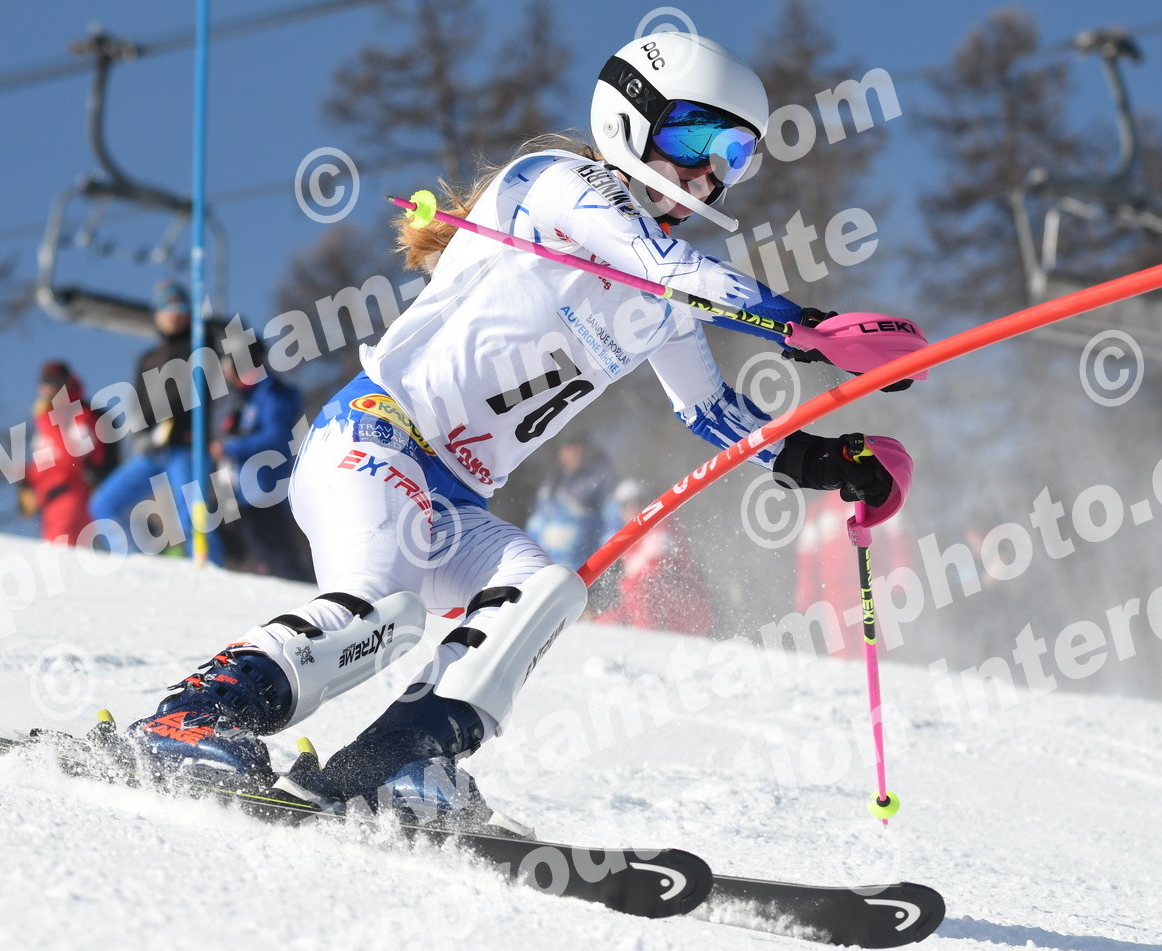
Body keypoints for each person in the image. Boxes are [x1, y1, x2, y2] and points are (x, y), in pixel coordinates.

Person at [120, 32, 906, 831]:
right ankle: (191, 718)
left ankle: (393, 762)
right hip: (375, 439)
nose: (707, 171)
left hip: (453, 501)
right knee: (379, 615)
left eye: (733, 154)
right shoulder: (559, 184)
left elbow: (709, 409)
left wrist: (822, 458)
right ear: (630, 117)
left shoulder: (663, 295)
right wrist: (808, 326)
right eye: (695, 137)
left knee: (545, 589)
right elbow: (667, 268)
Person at [88, 280, 223, 564]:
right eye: (165, 306)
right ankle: (132, 563)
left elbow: (192, 389)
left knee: (192, 515)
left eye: (180, 306)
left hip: (187, 448)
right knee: (104, 503)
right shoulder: (148, 359)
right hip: (154, 451)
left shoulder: (199, 344)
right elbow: (138, 404)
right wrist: (139, 435)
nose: (173, 313)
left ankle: (210, 567)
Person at [212, 350, 312, 581]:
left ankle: (299, 590)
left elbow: (276, 438)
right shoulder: (247, 397)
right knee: (259, 550)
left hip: (265, 489)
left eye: (230, 369)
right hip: (246, 490)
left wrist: (230, 447)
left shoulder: (272, 394)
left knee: (278, 555)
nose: (227, 376)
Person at [594, 480, 715, 635]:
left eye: (637, 502)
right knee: (606, 620)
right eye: (625, 505)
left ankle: (648, 641)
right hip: (658, 608)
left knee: (635, 587)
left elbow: (652, 570)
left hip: (689, 607)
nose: (632, 508)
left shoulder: (662, 524)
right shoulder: (632, 538)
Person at [19, 361, 104, 545]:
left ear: (67, 384)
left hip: (72, 499)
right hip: (48, 505)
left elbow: (74, 457)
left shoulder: (81, 414)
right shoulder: (46, 422)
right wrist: (26, 481)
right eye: (46, 382)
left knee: (62, 555)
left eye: (56, 382)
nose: (50, 388)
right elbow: (44, 462)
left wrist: (46, 421)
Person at [524, 432, 618, 569]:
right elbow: (537, 521)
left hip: (582, 563)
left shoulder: (596, 480)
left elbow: (611, 517)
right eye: (569, 447)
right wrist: (528, 553)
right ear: (561, 453)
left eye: (577, 447)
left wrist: (609, 551)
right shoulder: (551, 483)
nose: (574, 452)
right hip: (548, 563)